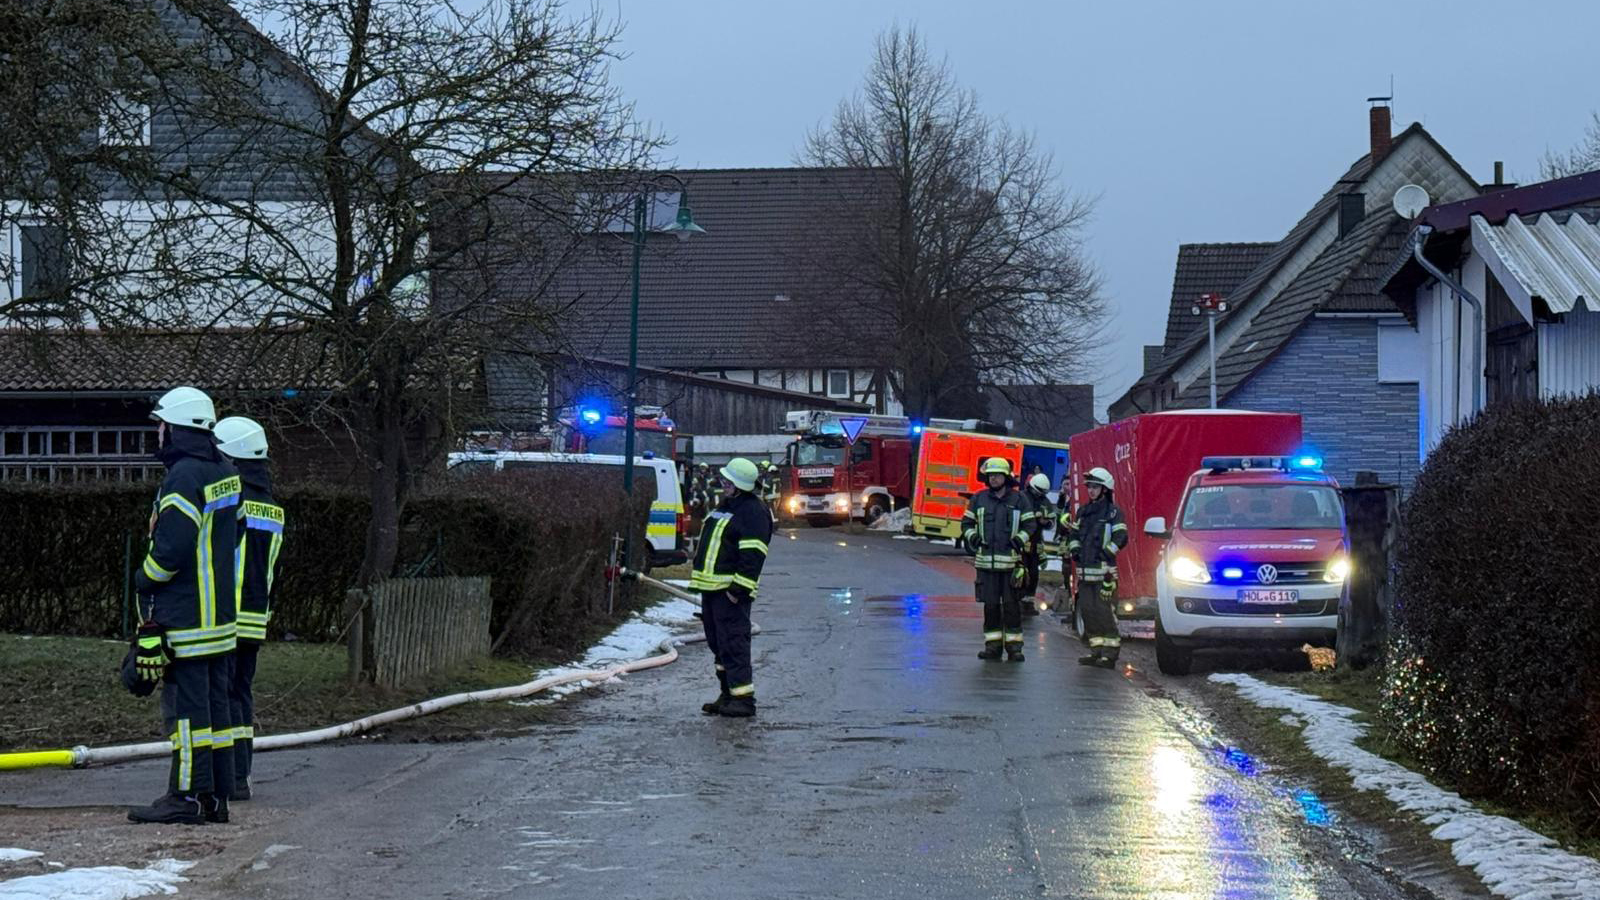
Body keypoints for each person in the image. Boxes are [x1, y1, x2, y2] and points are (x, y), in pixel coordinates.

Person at [127, 387, 241, 825]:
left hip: (188, 619)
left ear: (174, 428)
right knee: (216, 713)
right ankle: (216, 798)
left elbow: (171, 549)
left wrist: (143, 578)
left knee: (188, 717)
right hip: (219, 622)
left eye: (161, 423)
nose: (157, 431)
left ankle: (186, 797)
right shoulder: (224, 469)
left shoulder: (185, 477)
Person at [213, 417, 283, 803]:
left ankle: (223, 776)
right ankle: (241, 775)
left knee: (219, 695)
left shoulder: (231, 502)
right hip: (256, 618)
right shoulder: (272, 508)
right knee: (241, 693)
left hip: (223, 614)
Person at [689, 458, 773, 718]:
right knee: (719, 644)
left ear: (740, 486)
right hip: (712, 589)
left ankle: (743, 699)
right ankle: (727, 695)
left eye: (728, 481)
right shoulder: (727, 506)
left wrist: (738, 590)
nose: (723, 484)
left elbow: (753, 555)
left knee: (734, 643)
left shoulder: (753, 511)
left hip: (730, 592)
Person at [960, 457, 1037, 661]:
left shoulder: (1019, 500)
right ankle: (992, 647)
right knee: (991, 606)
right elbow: (966, 523)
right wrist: (972, 537)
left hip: (1011, 564)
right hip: (986, 565)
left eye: (997, 475)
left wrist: (1018, 541)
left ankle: (1014, 648)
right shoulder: (978, 499)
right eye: (990, 475)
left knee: (1012, 607)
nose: (993, 478)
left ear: (1006, 477)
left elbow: (1030, 525)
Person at [1063, 467, 1128, 669]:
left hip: (1104, 575)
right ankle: (1096, 651)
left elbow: (1121, 537)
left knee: (1104, 612)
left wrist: (1106, 553)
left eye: (1095, 487)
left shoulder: (1113, 513)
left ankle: (1110, 655)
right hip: (1085, 573)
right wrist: (1074, 550)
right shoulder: (1083, 512)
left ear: (1105, 489)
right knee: (1089, 612)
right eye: (1089, 487)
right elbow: (1073, 535)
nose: (1091, 491)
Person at [1018, 473, 1056, 616]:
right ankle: (1017, 601)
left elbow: (1052, 521)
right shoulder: (1021, 498)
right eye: (1039, 491)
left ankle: (1028, 603)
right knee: (1019, 574)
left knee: (1034, 574)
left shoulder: (1044, 501)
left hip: (1035, 544)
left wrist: (1046, 523)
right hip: (1020, 542)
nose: (1040, 495)